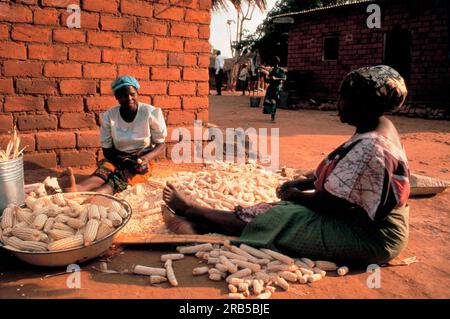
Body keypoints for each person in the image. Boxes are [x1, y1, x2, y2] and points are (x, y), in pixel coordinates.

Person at [162, 65, 411, 266]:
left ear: (365, 106)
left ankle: (193, 211)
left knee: (285, 215)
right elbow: (348, 171)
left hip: (371, 237)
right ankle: (198, 226)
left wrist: (296, 195)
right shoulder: (376, 126)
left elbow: (329, 203)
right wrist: (302, 183)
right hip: (357, 218)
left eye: (344, 98)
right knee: (278, 208)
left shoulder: (373, 147)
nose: (339, 103)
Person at [59, 76, 167, 194]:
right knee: (103, 172)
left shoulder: (149, 112)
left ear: (137, 93)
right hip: (118, 157)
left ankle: (96, 195)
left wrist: (145, 159)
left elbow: (161, 144)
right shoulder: (110, 116)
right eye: (123, 96)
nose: (129, 98)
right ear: (116, 97)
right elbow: (107, 150)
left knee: (120, 179)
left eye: (132, 94)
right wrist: (124, 161)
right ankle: (76, 189)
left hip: (141, 160)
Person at [262, 56, 287, 122]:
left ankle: (273, 115)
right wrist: (264, 75)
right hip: (271, 88)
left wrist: (276, 78)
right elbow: (268, 81)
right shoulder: (271, 70)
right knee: (269, 102)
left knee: (274, 102)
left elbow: (284, 78)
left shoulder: (281, 70)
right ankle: (271, 114)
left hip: (277, 88)